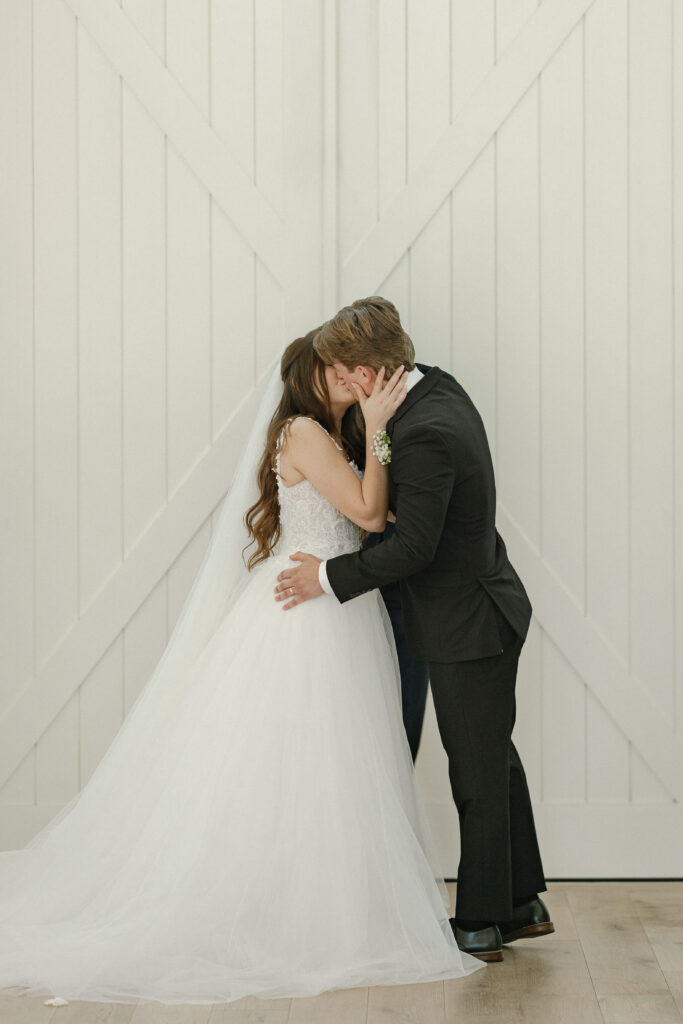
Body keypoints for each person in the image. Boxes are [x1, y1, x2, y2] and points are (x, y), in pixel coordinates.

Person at [0, 330, 486, 1007]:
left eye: (354, 370)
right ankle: (279, 909)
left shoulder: (330, 435)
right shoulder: (307, 434)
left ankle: (326, 903)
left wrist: (375, 446)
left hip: (335, 607)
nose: (350, 378)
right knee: (288, 762)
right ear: (310, 376)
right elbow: (371, 511)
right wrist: (378, 430)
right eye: (334, 370)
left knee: (328, 767)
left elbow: (378, 518)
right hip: (306, 617)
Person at [274, 297, 554, 963]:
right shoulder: (432, 383)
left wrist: (327, 578)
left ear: (368, 374)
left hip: (468, 619)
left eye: (343, 373)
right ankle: (521, 901)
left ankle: (484, 920)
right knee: (493, 757)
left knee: (476, 770)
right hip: (478, 606)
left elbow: (411, 550)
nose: (338, 383)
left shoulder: (424, 429)